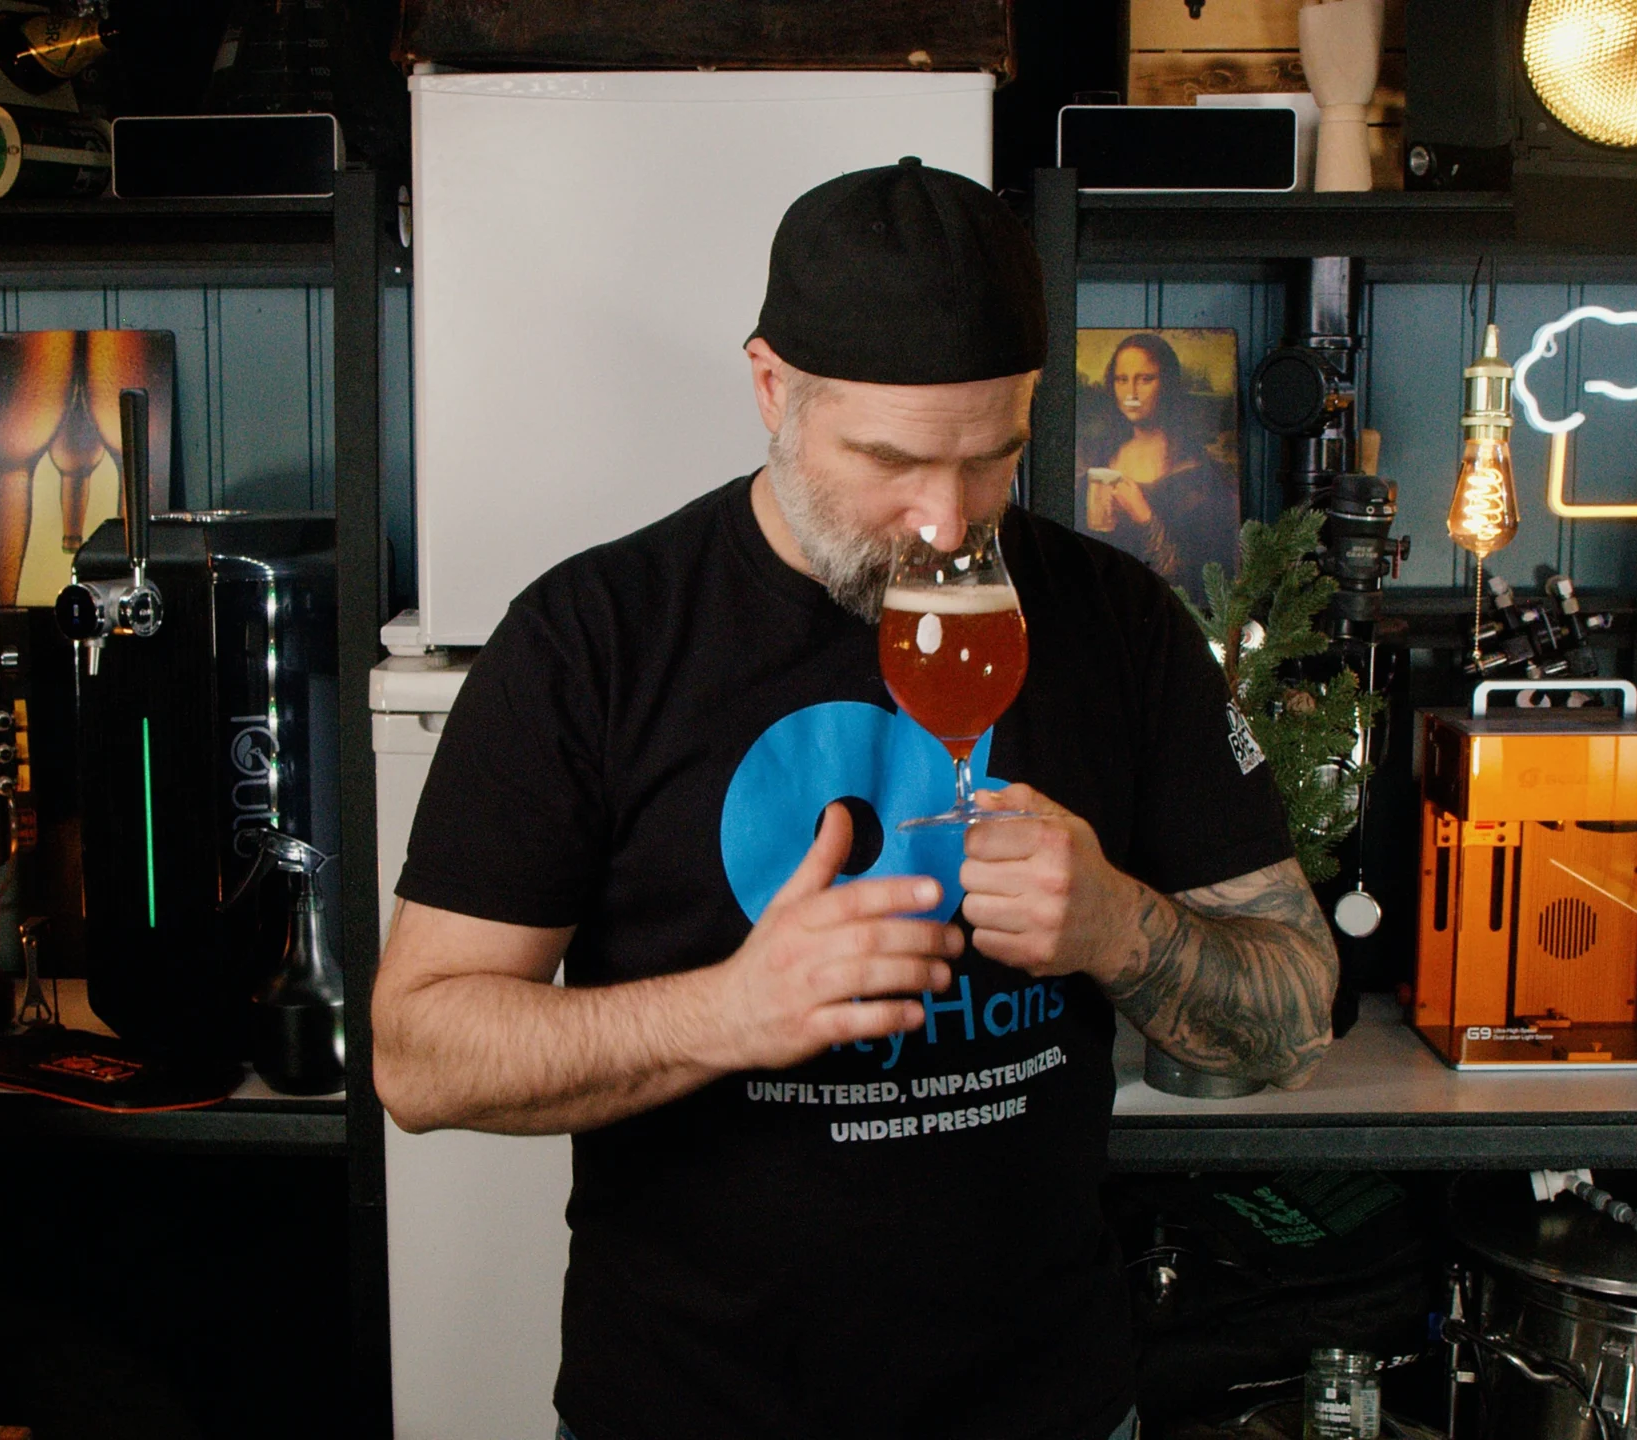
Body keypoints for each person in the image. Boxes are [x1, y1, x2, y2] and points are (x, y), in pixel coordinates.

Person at [375, 156, 1338, 1440]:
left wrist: (1116, 926)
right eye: (889, 460)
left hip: (1045, 1408)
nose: (944, 521)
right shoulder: (591, 639)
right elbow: (419, 1056)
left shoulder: (1120, 625)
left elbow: (1297, 1012)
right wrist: (728, 1009)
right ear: (772, 388)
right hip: (688, 1410)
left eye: (991, 460)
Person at [1080, 332, 1242, 602]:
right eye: (1122, 380)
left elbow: (1203, 583)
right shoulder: (1097, 459)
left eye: (1145, 379)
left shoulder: (1199, 476)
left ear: (1166, 384)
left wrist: (1144, 517)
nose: (1131, 393)